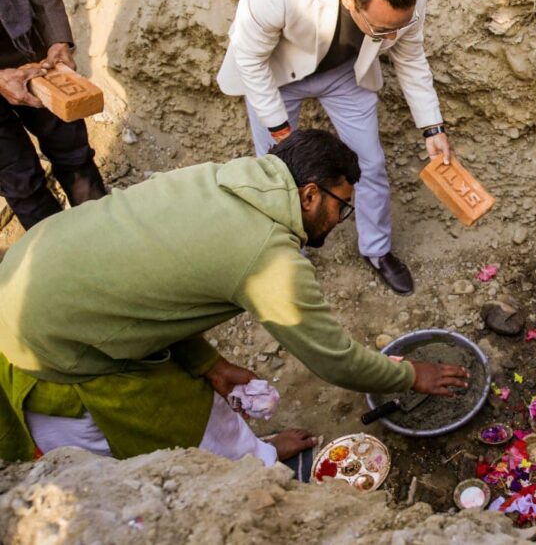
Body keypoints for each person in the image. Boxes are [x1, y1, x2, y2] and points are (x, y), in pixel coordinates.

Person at [0, 129, 468, 466]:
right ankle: (247, 477)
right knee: (161, 448)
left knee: (202, 396)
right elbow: (335, 360)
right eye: (341, 207)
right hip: (48, 343)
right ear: (309, 195)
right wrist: (411, 375)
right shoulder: (268, 256)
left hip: (29, 276)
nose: (339, 219)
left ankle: (255, 455)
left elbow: (151, 291)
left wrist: (211, 364)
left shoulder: (216, 178)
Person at [218, 0, 453, 295]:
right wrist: (281, 132)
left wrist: (432, 128)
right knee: (276, 174)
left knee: (370, 164)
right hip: (275, 74)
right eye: (381, 29)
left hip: (345, 75)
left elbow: (410, 57)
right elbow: (249, 58)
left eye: (398, 27)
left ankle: (377, 250)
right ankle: (285, 258)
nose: (391, 37)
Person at [0, 0, 105, 230]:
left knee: (76, 157)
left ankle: (110, 246)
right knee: (22, 184)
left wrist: (57, 39)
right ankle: (60, 260)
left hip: (28, 49)